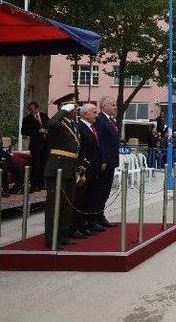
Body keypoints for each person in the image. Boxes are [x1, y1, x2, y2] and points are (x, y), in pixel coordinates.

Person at [43, 101, 81, 249]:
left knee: (66, 205)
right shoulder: (57, 123)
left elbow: (75, 149)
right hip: (57, 168)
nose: (75, 110)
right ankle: (51, 239)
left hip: (69, 168)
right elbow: (50, 125)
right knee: (54, 205)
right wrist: (63, 111)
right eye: (73, 108)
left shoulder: (72, 124)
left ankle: (62, 236)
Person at [71, 104, 103, 239]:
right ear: (85, 114)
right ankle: (76, 226)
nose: (96, 115)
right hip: (84, 169)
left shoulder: (91, 127)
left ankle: (84, 224)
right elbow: (80, 149)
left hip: (93, 168)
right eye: (94, 112)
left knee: (89, 198)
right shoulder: (80, 127)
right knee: (80, 198)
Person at [94, 96, 119, 229]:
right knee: (100, 190)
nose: (115, 107)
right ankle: (95, 217)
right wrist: (102, 160)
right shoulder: (100, 120)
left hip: (111, 161)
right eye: (113, 104)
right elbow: (100, 143)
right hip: (104, 162)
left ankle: (101, 215)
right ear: (104, 106)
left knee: (106, 190)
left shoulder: (110, 120)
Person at [21, 101, 50, 191]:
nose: (31, 111)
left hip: (45, 145)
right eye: (30, 110)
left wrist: (47, 130)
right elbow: (24, 132)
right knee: (36, 165)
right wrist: (38, 131)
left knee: (44, 165)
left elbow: (49, 126)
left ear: (37, 108)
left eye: (32, 109)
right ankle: (35, 185)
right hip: (36, 146)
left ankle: (42, 184)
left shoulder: (44, 115)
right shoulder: (27, 119)